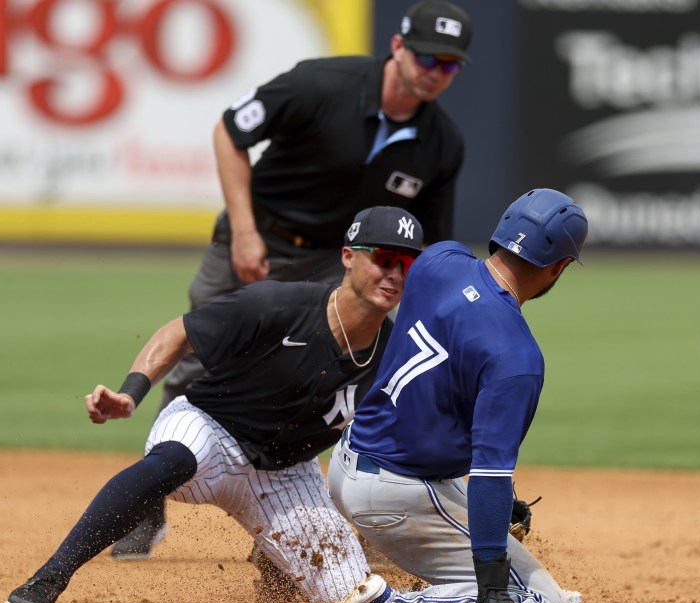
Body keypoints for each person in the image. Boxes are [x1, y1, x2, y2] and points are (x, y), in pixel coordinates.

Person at [112, 0, 473, 560]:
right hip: (258, 236)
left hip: (340, 261)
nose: (435, 70)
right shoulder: (321, 84)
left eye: (449, 65)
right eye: (428, 55)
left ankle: (290, 517)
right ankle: (148, 501)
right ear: (398, 47)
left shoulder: (442, 143)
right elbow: (230, 132)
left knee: (341, 383)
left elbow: (427, 244)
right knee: (195, 362)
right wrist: (246, 232)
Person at [2, 208, 424, 603]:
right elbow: (178, 334)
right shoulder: (281, 304)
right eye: (384, 259)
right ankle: (48, 580)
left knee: (351, 598)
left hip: (287, 474)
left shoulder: (395, 356)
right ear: (348, 256)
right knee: (173, 461)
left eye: (407, 263)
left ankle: (275, 562)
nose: (395, 274)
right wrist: (132, 394)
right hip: (209, 428)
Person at [326, 189, 588, 603]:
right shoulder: (518, 356)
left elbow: (451, 389)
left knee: (491, 528)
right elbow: (488, 473)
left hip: (344, 465)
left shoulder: (438, 261)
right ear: (558, 266)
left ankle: (358, 558)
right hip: (395, 498)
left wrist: (494, 507)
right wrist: (491, 586)